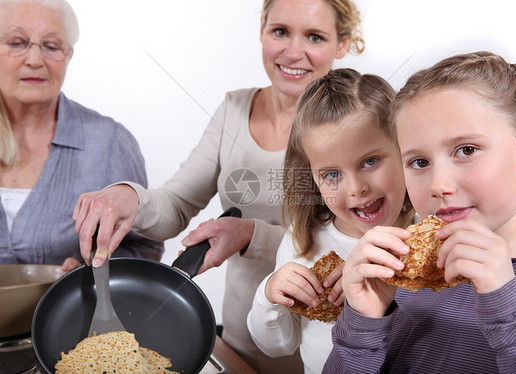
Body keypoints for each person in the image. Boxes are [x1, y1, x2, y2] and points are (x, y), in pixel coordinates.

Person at [72, 0, 364, 372]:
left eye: (314, 37)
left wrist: (251, 235)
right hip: (239, 339)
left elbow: (354, 242)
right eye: (280, 32)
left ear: (342, 44)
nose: (293, 52)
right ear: (262, 29)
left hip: (323, 347)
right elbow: (176, 204)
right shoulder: (234, 109)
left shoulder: (354, 122)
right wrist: (128, 196)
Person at [323, 51, 516, 373]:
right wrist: (363, 322)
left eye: (466, 150)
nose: (438, 184)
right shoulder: (398, 279)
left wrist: (505, 303)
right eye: (419, 162)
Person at [247, 68, 415, 374]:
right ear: (312, 178)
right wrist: (269, 295)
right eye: (332, 174)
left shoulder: (427, 237)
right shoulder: (303, 243)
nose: (355, 188)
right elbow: (278, 347)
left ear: (403, 146)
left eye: (370, 161)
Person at [0, 0, 163, 269]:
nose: (34, 60)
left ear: (69, 55)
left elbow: (144, 247)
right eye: (17, 43)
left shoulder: (109, 141)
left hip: (71, 313)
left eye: (51, 46)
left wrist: (92, 274)